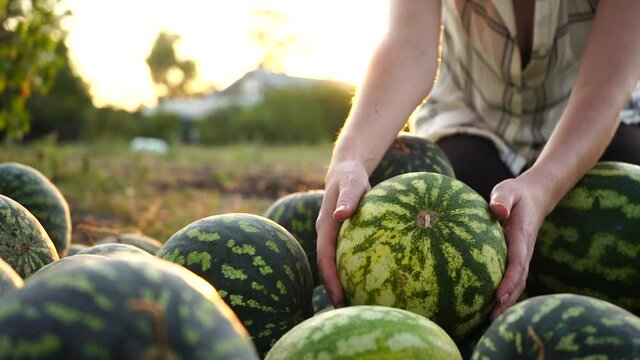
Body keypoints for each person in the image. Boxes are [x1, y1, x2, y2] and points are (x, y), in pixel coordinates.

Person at [316, 0, 640, 321]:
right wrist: (351, 157)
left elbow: (605, 83)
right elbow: (410, 45)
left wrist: (542, 188)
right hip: (469, 116)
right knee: (460, 210)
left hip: (589, 119)